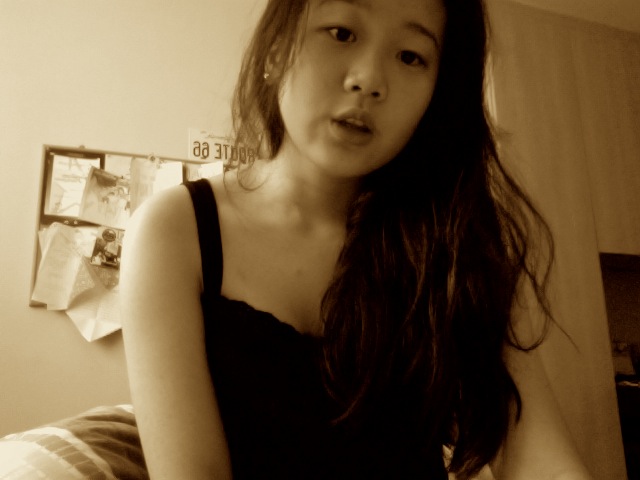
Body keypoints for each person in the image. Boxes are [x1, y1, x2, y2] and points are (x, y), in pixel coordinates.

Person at [120, 0, 594, 478]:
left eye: (410, 56)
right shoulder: (174, 231)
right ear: (276, 51)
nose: (369, 80)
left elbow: (543, 461)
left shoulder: (458, 245)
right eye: (342, 33)